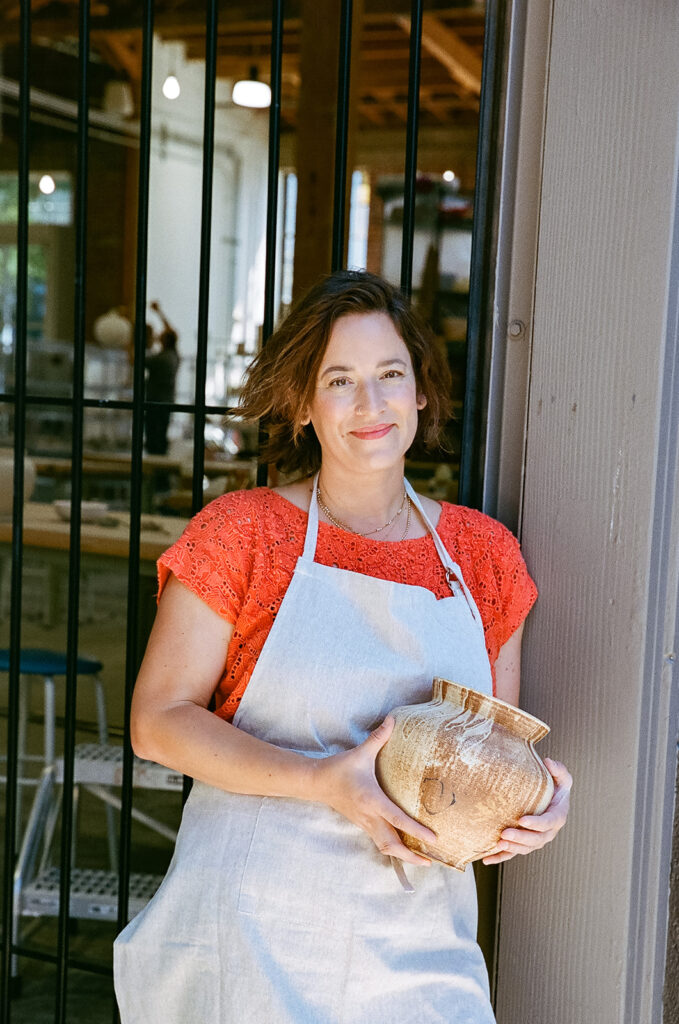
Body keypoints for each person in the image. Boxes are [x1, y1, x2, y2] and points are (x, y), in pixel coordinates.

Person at [113, 270, 571, 1023]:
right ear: (302, 404)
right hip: (253, 927)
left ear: (421, 390)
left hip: (421, 938)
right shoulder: (244, 533)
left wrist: (532, 802)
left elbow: (483, 752)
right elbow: (157, 720)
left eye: (390, 374)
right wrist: (324, 780)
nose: (371, 404)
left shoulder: (484, 557)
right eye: (339, 380)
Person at [144, 300, 179, 455]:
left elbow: (135, 360)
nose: (158, 335)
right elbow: (171, 332)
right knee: (160, 435)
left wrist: (136, 340)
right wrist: (159, 312)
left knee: (154, 437)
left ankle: (156, 470)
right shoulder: (173, 355)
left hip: (155, 401)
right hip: (166, 401)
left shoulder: (161, 359)